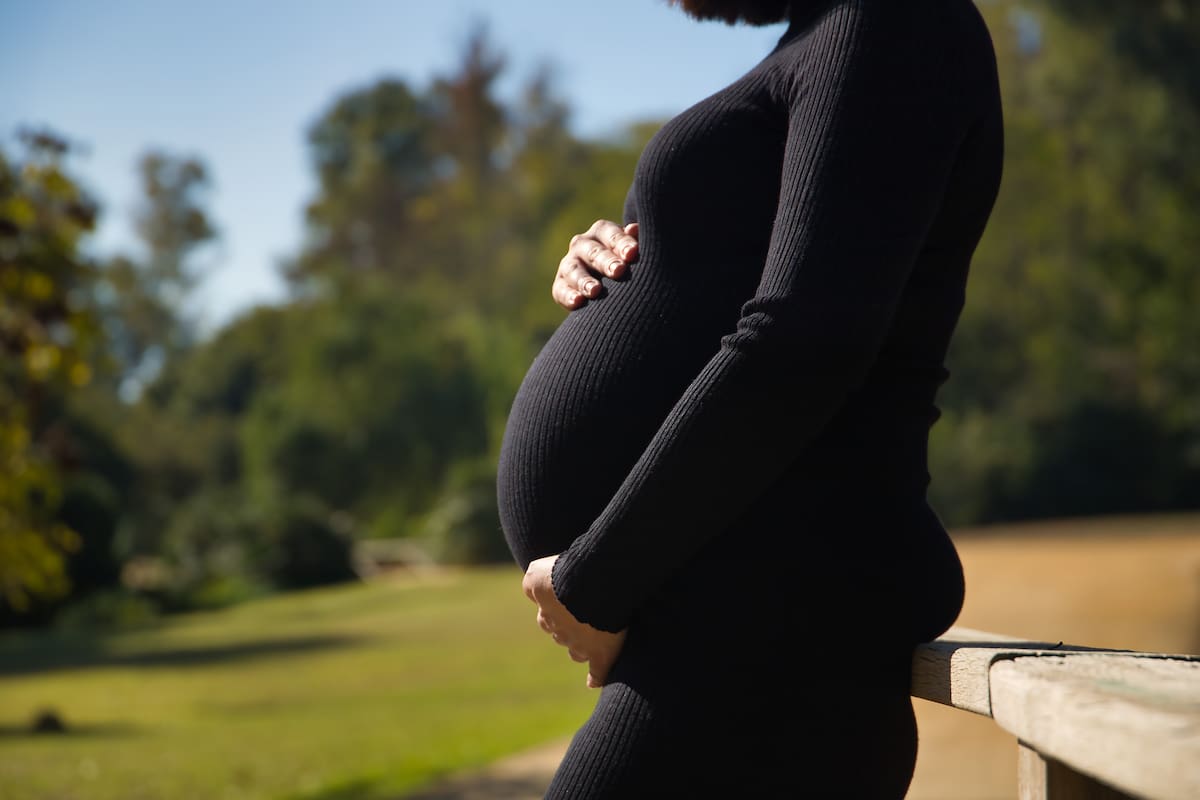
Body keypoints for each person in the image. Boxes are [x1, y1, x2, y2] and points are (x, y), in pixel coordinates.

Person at [495, 0, 1003, 795]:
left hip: (774, 627)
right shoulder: (827, 36)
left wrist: (595, 582)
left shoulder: (893, 19)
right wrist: (621, 260)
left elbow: (809, 334)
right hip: (730, 625)